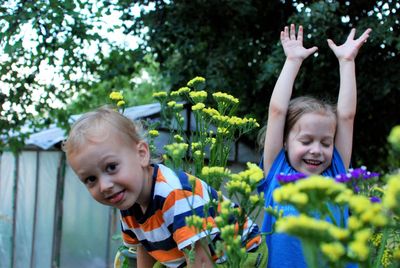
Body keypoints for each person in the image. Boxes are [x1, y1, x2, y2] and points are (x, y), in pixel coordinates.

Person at [63, 107, 266, 268]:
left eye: (112, 167)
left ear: (142, 154)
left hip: (239, 255)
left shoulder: (173, 194)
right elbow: (145, 247)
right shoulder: (128, 201)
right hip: (193, 256)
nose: (105, 185)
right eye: (90, 179)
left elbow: (202, 261)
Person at [257, 24, 371, 267]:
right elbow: (277, 112)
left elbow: (347, 116)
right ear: (285, 142)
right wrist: (293, 61)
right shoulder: (278, 174)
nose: (316, 150)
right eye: (306, 141)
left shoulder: (337, 175)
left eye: (326, 143)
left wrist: (347, 62)